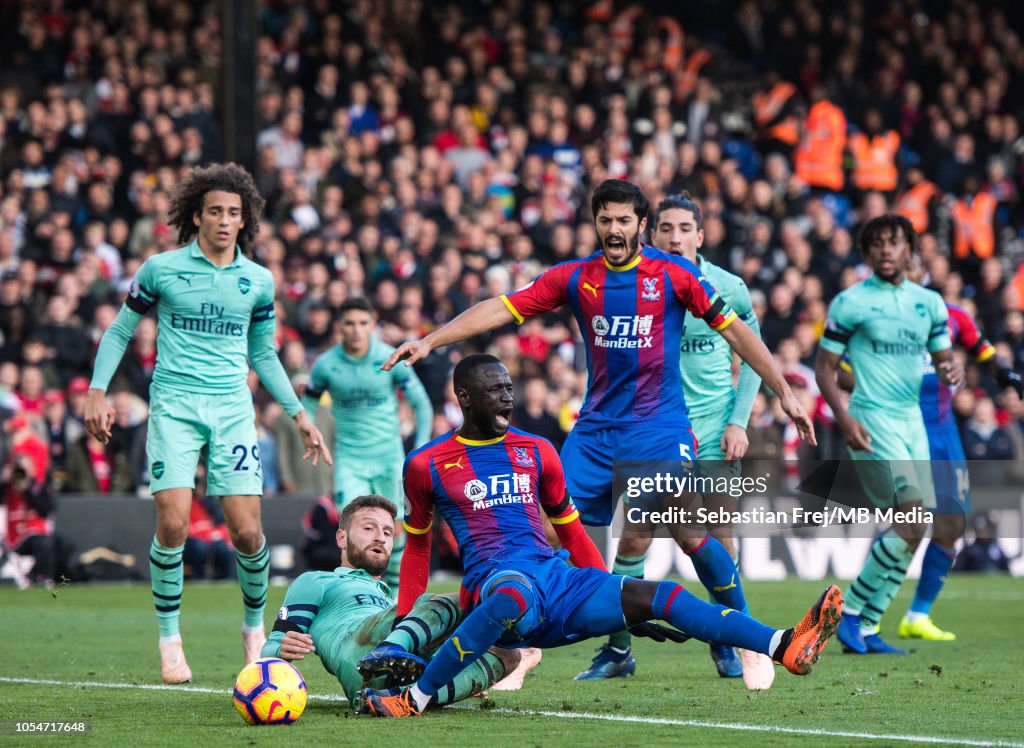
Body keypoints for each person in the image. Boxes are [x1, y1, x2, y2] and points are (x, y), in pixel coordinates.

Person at [383, 180, 816, 682]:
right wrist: (432, 340)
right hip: (595, 430)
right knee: (547, 532)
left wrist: (781, 389)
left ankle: (749, 644)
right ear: (596, 223)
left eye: (624, 220)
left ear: (640, 226)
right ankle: (533, 647)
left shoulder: (673, 275)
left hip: (658, 426)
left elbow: (737, 331)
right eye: (605, 219)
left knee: (675, 524)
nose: (614, 229)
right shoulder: (575, 278)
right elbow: (504, 306)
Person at [356, 355, 842, 718]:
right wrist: (405, 624)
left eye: (509, 387)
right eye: (493, 389)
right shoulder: (427, 463)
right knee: (509, 594)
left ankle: (782, 645)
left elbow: (570, 530)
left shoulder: (539, 449)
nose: (507, 396)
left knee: (662, 595)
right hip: (495, 583)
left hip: (557, 579)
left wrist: (612, 599)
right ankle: (414, 699)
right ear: (463, 397)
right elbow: (417, 544)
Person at [84, 163, 332, 684]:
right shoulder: (162, 269)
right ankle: (170, 641)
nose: (224, 220)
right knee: (173, 522)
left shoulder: (258, 281)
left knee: (247, 531)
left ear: (245, 222)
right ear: (196, 215)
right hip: (173, 405)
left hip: (232, 410)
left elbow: (263, 355)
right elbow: (120, 330)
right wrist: (97, 390)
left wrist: (299, 413)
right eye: (215, 210)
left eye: (234, 213)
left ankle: (252, 632)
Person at [596, 191, 767, 686]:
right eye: (665, 229)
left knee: (719, 538)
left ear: (700, 235)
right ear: (651, 234)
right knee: (635, 533)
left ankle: (729, 640)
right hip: (656, 429)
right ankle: (619, 647)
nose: (674, 238)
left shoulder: (727, 286)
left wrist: (740, 420)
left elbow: (754, 354)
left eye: (684, 229)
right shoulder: (631, 283)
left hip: (714, 429)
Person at [839, 278, 1023, 641]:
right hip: (898, 426)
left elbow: (984, 350)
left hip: (942, 430)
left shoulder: (954, 318)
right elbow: (842, 371)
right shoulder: (883, 322)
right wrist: (876, 386)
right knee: (911, 522)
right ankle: (860, 616)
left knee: (951, 524)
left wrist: (1005, 373)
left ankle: (916, 615)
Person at [815, 215, 963, 656]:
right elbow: (824, 368)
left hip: (911, 420)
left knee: (914, 528)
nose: (885, 250)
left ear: (908, 249)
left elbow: (944, 359)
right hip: (871, 416)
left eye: (894, 242)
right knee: (913, 518)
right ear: (866, 252)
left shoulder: (929, 303)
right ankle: (851, 609)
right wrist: (844, 419)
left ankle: (868, 626)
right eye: (876, 243)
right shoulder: (850, 302)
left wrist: (952, 367)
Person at [262, 493, 526, 705]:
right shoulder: (317, 581)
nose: (380, 536)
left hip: (407, 660)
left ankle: (402, 699)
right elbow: (269, 650)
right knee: (462, 601)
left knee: (509, 655)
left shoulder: (390, 596)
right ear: (341, 538)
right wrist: (280, 649)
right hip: (356, 650)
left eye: (388, 532)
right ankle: (389, 654)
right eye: (369, 528)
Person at [302, 297, 433, 589]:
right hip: (349, 460)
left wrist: (420, 448)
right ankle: (355, 599)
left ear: (373, 325)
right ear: (339, 327)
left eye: (363, 323)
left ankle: (398, 602)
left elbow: (422, 405)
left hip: (389, 459)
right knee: (352, 533)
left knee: (395, 532)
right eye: (349, 323)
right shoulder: (326, 365)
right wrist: (308, 430)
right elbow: (307, 403)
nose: (357, 330)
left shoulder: (389, 357)